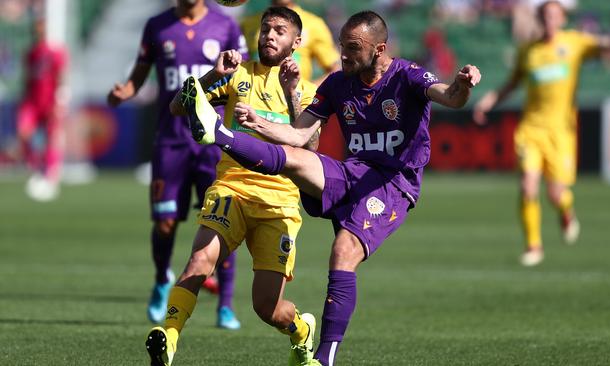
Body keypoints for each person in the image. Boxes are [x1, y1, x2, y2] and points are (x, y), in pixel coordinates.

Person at [180, 10, 481, 366]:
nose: (343, 55)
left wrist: (463, 84)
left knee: (343, 250)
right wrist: (258, 123)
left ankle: (324, 359)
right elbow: (298, 136)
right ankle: (221, 134)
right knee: (295, 158)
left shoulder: (408, 76)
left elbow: (450, 97)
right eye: (342, 46)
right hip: (354, 172)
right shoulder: (338, 83)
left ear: (379, 49)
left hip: (393, 183)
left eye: (353, 48)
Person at [146, 6, 320, 366]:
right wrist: (212, 75)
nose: (270, 35)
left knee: (267, 308)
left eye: (280, 30)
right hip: (232, 190)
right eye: (266, 28)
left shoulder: (307, 90)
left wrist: (290, 95)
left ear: (296, 41)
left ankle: (301, 331)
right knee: (198, 261)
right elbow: (179, 108)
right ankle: (170, 337)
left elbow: (312, 150)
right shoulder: (237, 75)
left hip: (279, 204)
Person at [473, 0, 610, 266]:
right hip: (531, 129)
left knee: (556, 194)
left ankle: (566, 211)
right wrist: (488, 101)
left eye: (554, 16)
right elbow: (511, 84)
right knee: (527, 186)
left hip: (561, 132)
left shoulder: (575, 42)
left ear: (562, 19)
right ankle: (533, 246)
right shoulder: (528, 52)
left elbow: (608, 43)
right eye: (544, 16)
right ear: (539, 19)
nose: (549, 21)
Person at [107, 0, 246, 328]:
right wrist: (123, 92)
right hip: (171, 141)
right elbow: (138, 76)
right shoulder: (157, 25)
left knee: (223, 221)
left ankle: (225, 305)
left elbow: (243, 79)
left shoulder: (225, 25)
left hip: (214, 141)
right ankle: (160, 280)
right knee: (165, 222)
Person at [17, 17, 67, 202]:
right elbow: (27, 78)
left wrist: (59, 99)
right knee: (24, 132)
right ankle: (35, 167)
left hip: (50, 102)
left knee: (52, 137)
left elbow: (61, 76)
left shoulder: (55, 53)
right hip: (32, 102)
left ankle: (51, 173)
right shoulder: (30, 54)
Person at [240, 0, 339, 84]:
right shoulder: (247, 24)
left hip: (293, 103)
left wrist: (308, 92)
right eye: (265, 30)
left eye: (280, 31)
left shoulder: (314, 24)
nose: (270, 35)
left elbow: (335, 70)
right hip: (255, 101)